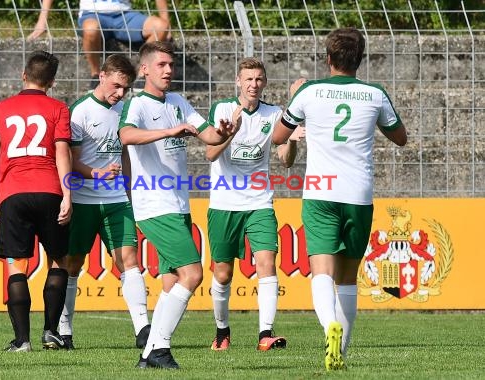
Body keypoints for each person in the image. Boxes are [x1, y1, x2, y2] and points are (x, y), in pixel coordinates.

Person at [272, 27, 407, 370]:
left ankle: (327, 326)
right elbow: (400, 138)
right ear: (360, 60)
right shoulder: (374, 94)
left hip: (320, 192)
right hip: (358, 195)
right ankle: (340, 355)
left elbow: (278, 136)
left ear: (328, 59)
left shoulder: (311, 91)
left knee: (320, 270)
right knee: (347, 277)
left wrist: (296, 100)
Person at [118, 41, 238, 369]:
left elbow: (209, 136)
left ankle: (150, 354)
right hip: (153, 203)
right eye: (161, 65)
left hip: (178, 203)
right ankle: (159, 349)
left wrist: (227, 132)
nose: (169, 70)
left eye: (171, 65)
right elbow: (126, 136)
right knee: (194, 273)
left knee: (172, 281)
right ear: (144, 69)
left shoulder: (178, 101)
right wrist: (172, 129)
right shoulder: (138, 104)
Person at [205, 57, 305, 352]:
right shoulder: (223, 110)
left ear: (265, 83)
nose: (254, 84)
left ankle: (265, 333)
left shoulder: (275, 114)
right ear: (238, 81)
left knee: (266, 263)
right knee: (222, 273)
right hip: (224, 203)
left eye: (259, 79)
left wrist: (295, 139)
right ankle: (222, 331)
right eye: (248, 79)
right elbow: (210, 154)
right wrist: (230, 132)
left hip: (260, 202)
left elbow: (285, 161)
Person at [59, 54, 150, 350]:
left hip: (116, 201)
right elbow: (69, 160)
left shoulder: (124, 110)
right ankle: (64, 331)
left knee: (129, 261)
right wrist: (96, 173)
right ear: (101, 76)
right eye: (116, 86)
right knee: (73, 264)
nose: (120, 94)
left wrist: (130, 193)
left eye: (125, 89)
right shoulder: (80, 111)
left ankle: (143, 330)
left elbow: (124, 154)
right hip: (84, 199)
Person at [0, 50, 73, 352]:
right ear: (51, 82)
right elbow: (62, 153)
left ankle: (22, 340)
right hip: (50, 191)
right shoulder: (58, 108)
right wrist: (68, 193)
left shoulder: (1, 109)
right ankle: (51, 332)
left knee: (16, 266)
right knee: (59, 261)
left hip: (13, 195)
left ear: (24, 75)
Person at [28, 0, 171, 86]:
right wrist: (42, 21)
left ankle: (141, 75)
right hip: (92, 14)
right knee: (90, 29)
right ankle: (96, 74)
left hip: (125, 16)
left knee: (160, 26)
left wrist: (167, 23)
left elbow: (163, 25)